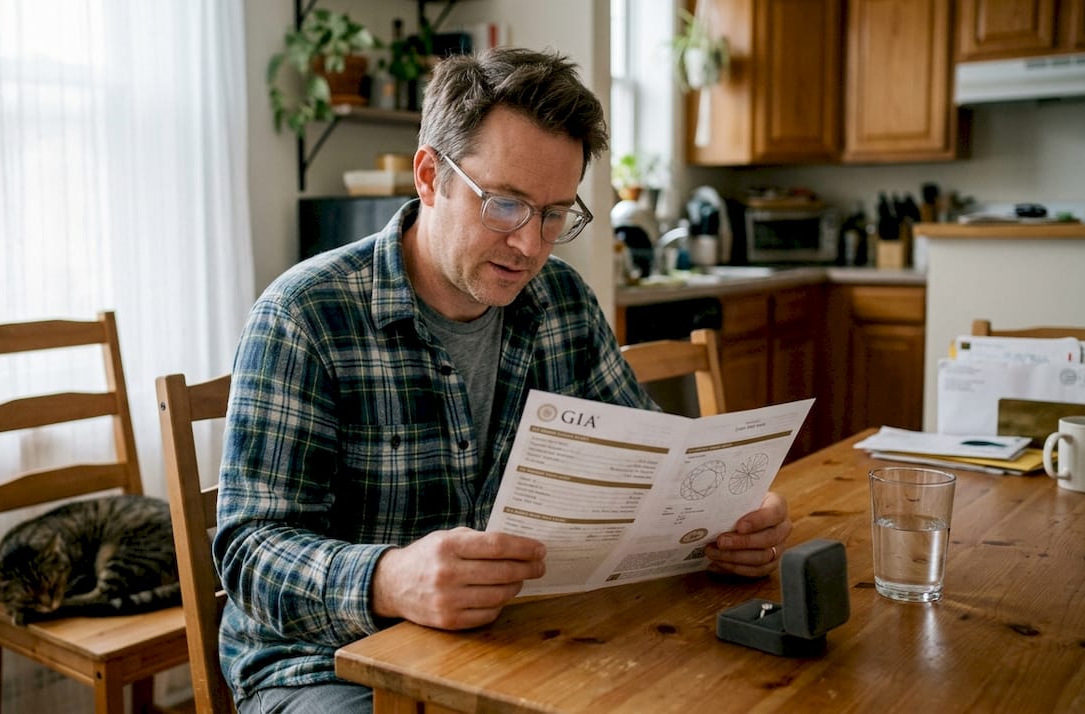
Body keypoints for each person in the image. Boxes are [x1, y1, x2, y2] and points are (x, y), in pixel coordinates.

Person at [215, 47, 793, 714]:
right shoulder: (304, 316)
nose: (529, 245)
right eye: (506, 205)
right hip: (326, 666)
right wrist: (387, 578)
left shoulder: (562, 302)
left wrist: (730, 514)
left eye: (554, 214)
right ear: (431, 177)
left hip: (514, 641)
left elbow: (657, 464)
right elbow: (249, 552)